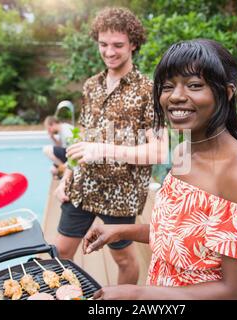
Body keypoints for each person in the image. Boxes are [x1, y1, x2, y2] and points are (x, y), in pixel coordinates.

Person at [82, 39, 237, 300]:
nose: (175, 97)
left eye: (195, 86)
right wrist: (119, 230)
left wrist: (139, 295)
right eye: (167, 87)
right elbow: (179, 234)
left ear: (227, 92)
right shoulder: (184, 151)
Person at [53, 7, 169, 285]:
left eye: (118, 45)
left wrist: (104, 150)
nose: (109, 52)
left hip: (121, 196)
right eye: (103, 45)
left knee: (124, 259)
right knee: (59, 254)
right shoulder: (91, 85)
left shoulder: (148, 91)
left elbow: (159, 151)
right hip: (82, 186)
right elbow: (82, 139)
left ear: (133, 44)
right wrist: (65, 177)